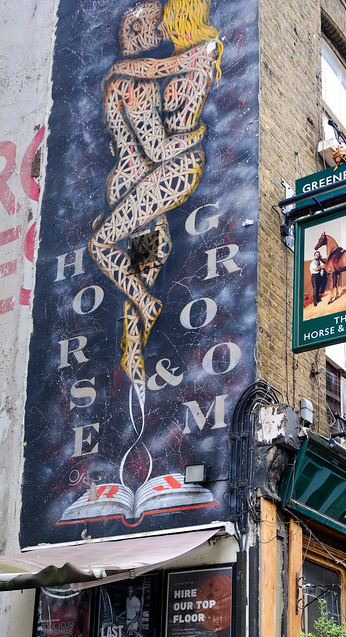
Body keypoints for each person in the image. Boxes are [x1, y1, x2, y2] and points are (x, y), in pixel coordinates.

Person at [88, 1, 221, 401]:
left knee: (143, 266)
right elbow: (158, 147)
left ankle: (134, 371)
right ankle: (147, 305)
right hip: (141, 185)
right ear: (137, 32)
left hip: (130, 185)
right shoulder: (135, 84)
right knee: (105, 247)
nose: (160, 30)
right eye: (152, 25)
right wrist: (198, 135)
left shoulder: (120, 79)